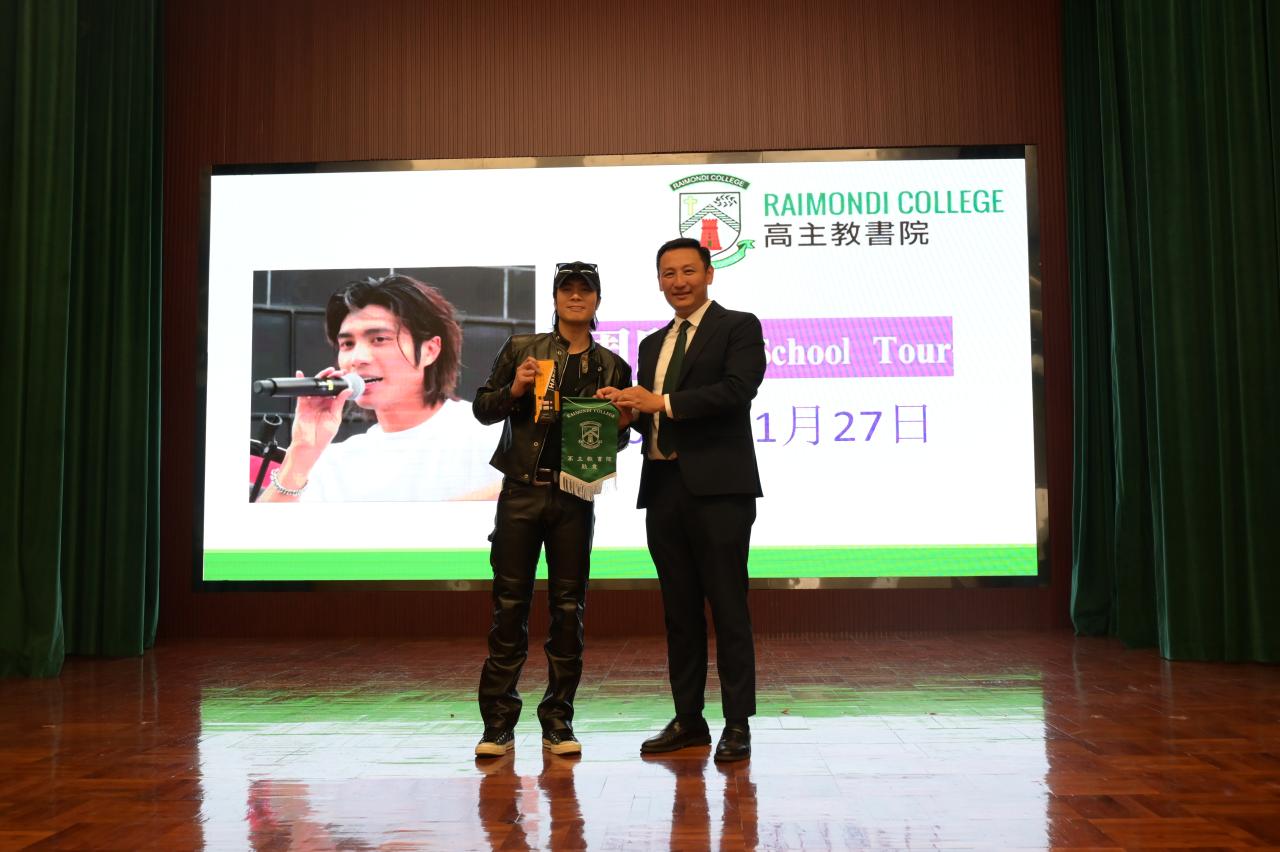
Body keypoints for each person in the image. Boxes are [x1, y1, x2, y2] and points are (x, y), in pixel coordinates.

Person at [602, 238, 765, 763]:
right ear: (659, 281)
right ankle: (689, 720)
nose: (679, 282)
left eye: (688, 271)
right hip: (664, 488)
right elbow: (653, 417)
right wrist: (628, 414)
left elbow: (738, 390)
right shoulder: (652, 344)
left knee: (729, 608)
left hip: (720, 490)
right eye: (668, 273)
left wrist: (662, 402)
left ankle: (737, 723)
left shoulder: (738, 326)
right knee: (679, 613)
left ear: (709, 273)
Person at [472, 261, 633, 758]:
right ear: (556, 298)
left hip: (575, 496)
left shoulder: (612, 366)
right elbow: (483, 409)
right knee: (509, 607)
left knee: (568, 610)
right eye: (568, 289)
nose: (576, 297)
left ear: (598, 300)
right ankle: (497, 725)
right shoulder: (522, 349)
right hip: (521, 492)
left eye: (586, 290)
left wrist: (620, 422)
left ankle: (558, 721)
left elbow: (615, 441)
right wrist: (516, 389)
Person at [257, 274, 499, 503]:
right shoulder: (335, 461)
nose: (358, 358)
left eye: (379, 339)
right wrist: (301, 452)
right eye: (347, 343)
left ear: (430, 350)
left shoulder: (494, 433)